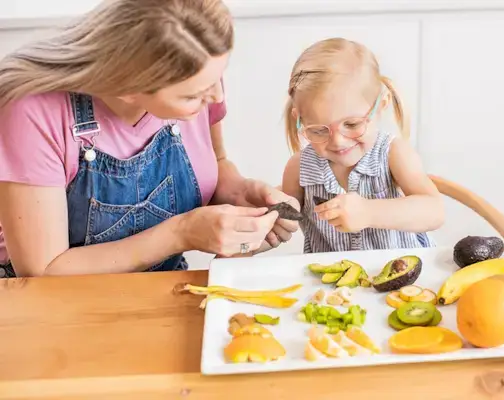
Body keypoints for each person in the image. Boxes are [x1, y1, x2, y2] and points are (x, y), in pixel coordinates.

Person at [0, 0, 299, 278]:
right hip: (50, 308)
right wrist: (181, 233)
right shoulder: (31, 111)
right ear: (125, 86)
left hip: (160, 288)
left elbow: (217, 162)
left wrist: (239, 193)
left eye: (218, 79)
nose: (217, 98)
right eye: (193, 95)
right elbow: (43, 270)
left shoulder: (197, 70)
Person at [281, 38, 444, 253]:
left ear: (380, 107)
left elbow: (434, 211)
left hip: (399, 277)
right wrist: (272, 221)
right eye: (319, 130)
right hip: (330, 284)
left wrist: (369, 212)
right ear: (299, 119)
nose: (338, 141)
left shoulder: (393, 154)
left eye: (352, 124)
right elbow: (284, 223)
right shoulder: (299, 168)